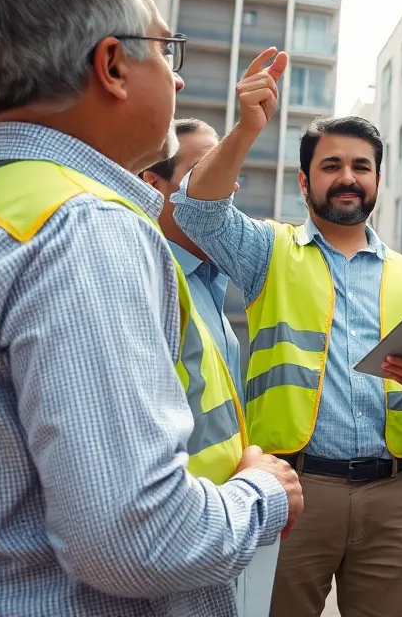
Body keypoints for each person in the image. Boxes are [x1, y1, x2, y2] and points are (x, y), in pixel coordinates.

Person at [0, 0, 299, 616]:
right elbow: (133, 539)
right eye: (166, 50)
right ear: (111, 65)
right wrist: (262, 493)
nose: (177, 78)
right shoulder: (86, 227)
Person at [170, 61, 402, 617]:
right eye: (331, 165)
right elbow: (196, 211)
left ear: (378, 180)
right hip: (294, 489)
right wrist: (245, 128)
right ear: (304, 180)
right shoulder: (268, 251)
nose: (348, 177)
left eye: (362, 166)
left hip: (393, 497)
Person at [141, 117, 280, 617]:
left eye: (230, 168)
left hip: (222, 526)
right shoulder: (152, 279)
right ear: (152, 184)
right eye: (203, 168)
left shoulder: (212, 289)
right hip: (175, 539)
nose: (227, 182)